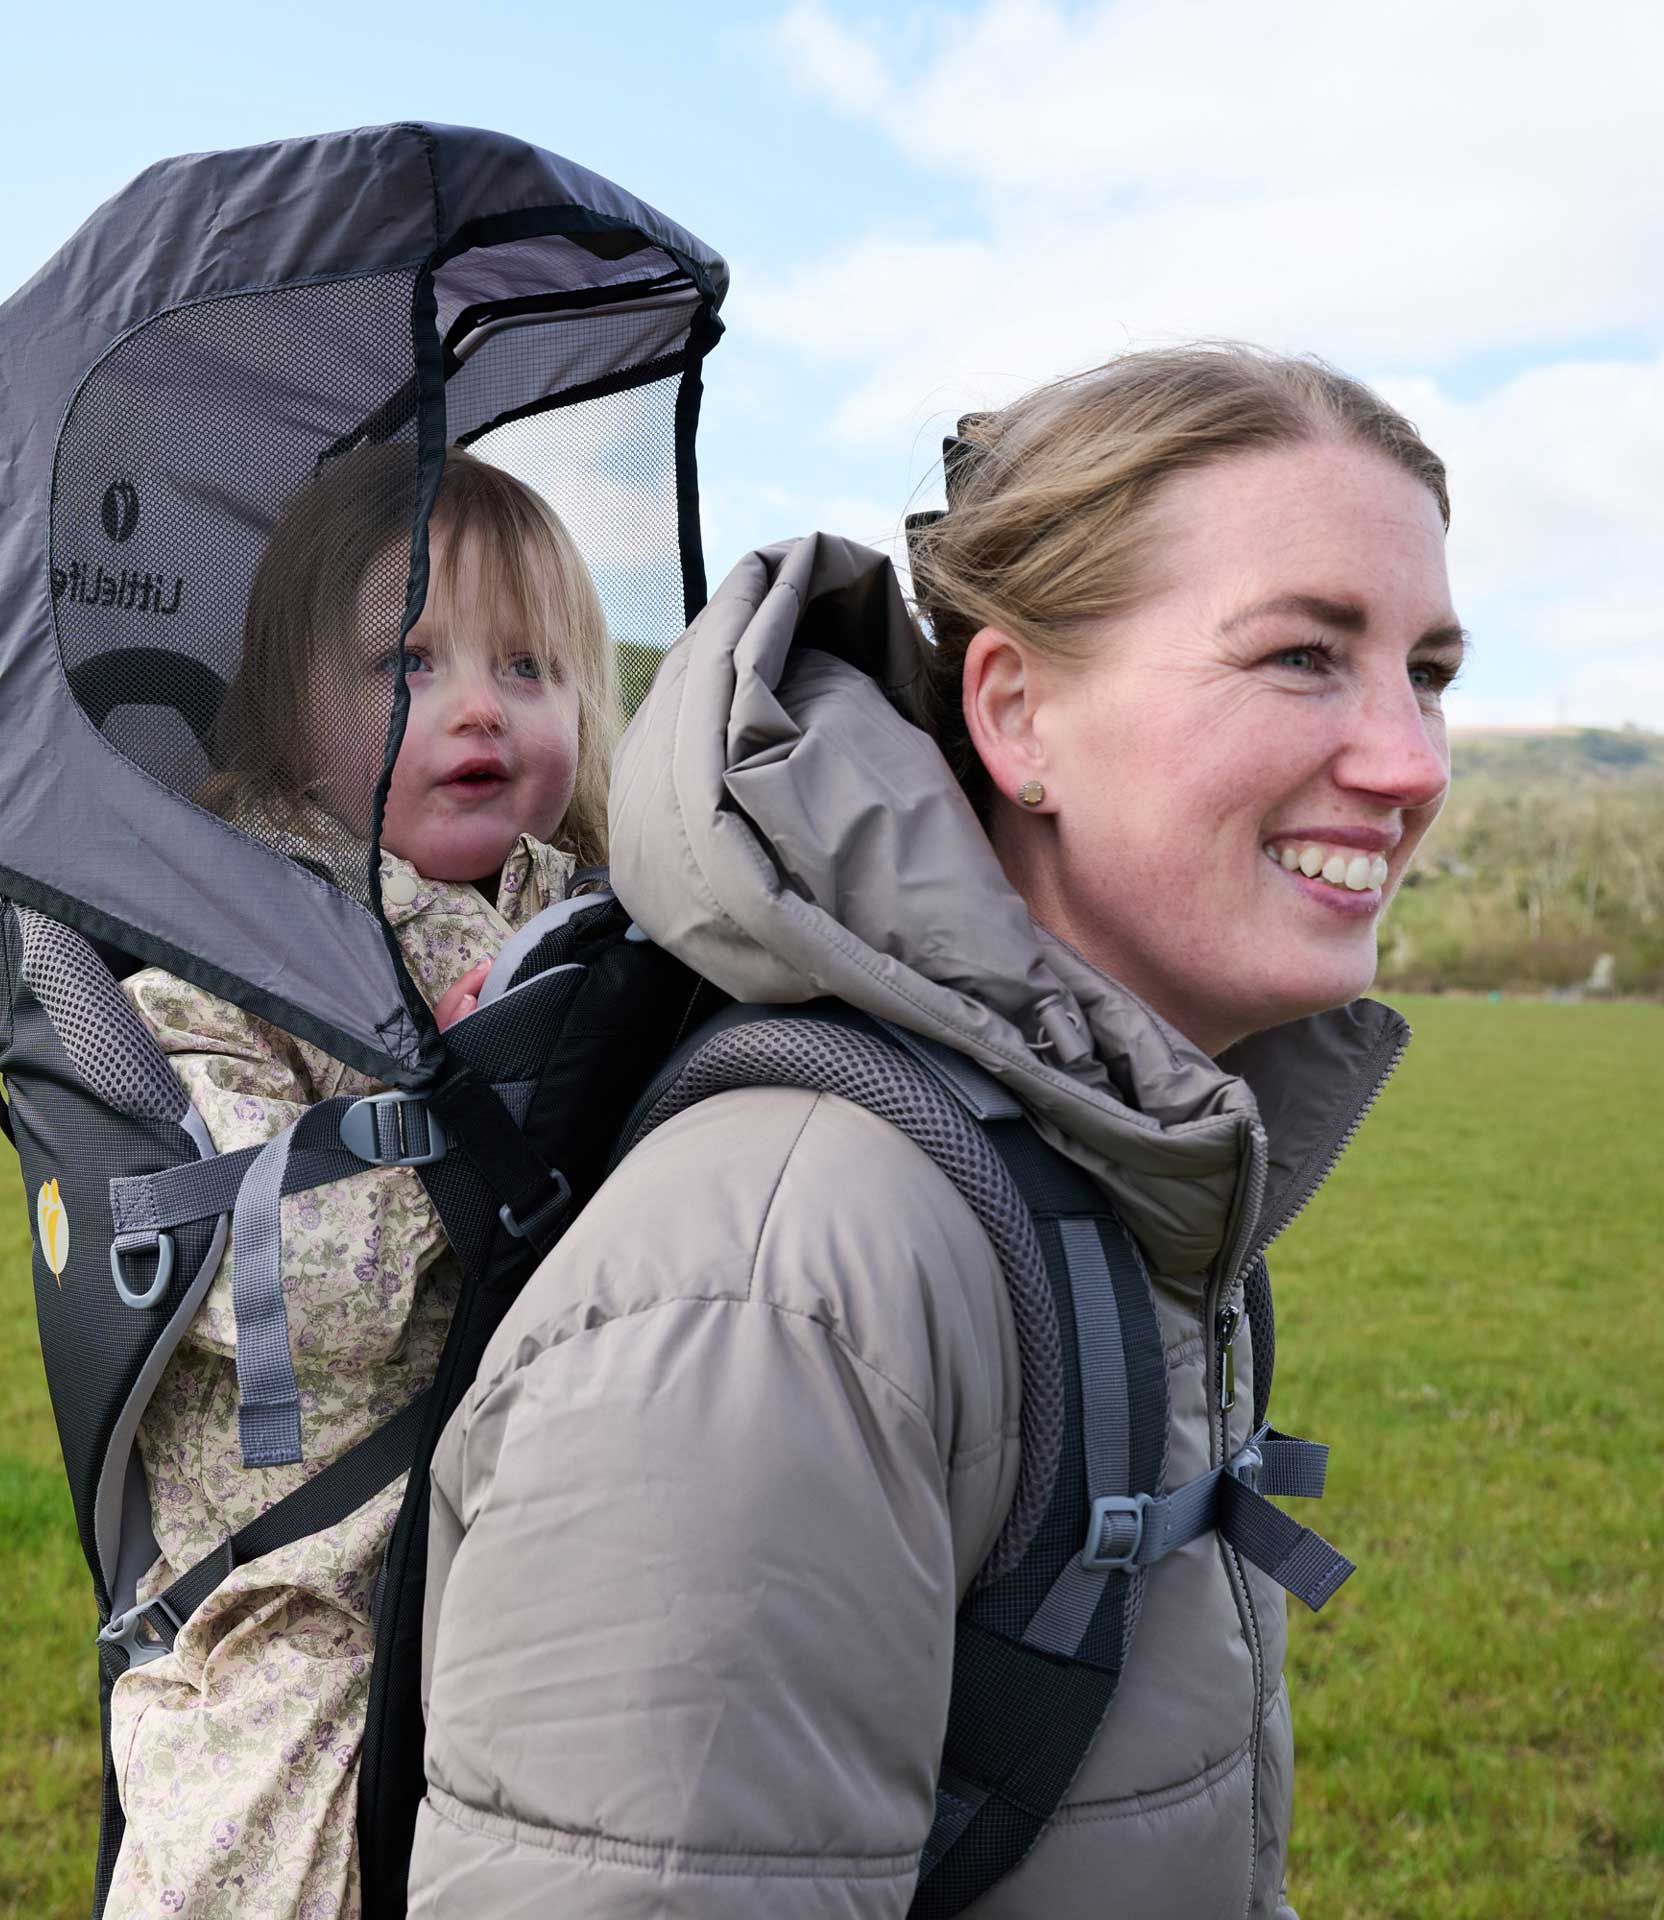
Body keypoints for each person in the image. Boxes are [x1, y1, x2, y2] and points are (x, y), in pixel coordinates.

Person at [407, 346, 1461, 1917]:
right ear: (1018, 714)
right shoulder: (788, 1283)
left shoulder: (1117, 1152)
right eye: (1304, 657)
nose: (1410, 764)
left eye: (1429, 673)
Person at [104, 444, 619, 1920]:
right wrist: (463, 1107)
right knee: (264, 1837)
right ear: (286, 717)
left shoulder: (595, 926)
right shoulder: (212, 968)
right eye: (408, 661)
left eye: (529, 664)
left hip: (556, 1508)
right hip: (310, 1568)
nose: (477, 704)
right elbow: (284, 1300)